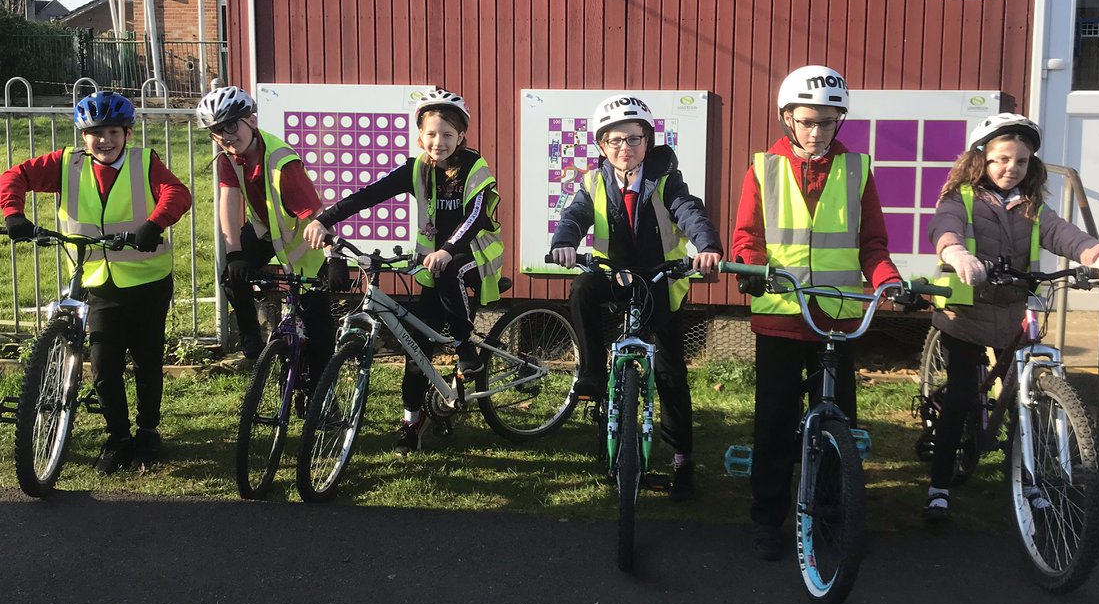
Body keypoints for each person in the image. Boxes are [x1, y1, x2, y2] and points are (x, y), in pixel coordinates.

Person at [730, 65, 903, 560]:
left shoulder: (857, 170)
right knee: (774, 422)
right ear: (787, 119)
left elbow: (872, 244)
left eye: (827, 122)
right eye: (806, 121)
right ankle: (767, 516)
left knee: (839, 424)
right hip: (782, 314)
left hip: (838, 318)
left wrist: (887, 279)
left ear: (839, 122)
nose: (816, 132)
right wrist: (750, 266)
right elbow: (748, 236)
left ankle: (830, 512)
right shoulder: (763, 168)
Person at [922, 112, 1099, 522]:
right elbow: (943, 229)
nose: (1010, 169)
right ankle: (939, 486)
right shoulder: (960, 198)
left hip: (1013, 312)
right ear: (981, 158)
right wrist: (957, 253)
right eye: (1001, 159)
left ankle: (1028, 479)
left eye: (1020, 161)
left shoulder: (1032, 206)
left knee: (1023, 399)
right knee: (962, 396)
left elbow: (1065, 234)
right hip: (964, 312)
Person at [303, 88, 504, 454]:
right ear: (419, 135)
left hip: (473, 255)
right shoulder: (417, 169)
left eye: (447, 134)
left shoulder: (475, 166)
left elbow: (475, 217)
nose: (438, 141)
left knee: (453, 272)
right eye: (430, 134)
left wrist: (446, 248)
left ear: (461, 136)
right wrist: (325, 220)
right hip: (434, 266)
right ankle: (412, 423)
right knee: (415, 349)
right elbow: (369, 194)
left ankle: (465, 350)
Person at [0, 91, 192, 474]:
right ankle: (118, 437)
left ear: (127, 133)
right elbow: (15, 174)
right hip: (97, 281)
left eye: (113, 132)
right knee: (104, 366)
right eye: (95, 133)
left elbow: (178, 193)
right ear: (82, 135)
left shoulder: (145, 162)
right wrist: (13, 213)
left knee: (147, 360)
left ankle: (148, 432)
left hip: (147, 280)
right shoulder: (67, 164)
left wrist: (154, 224)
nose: (104, 140)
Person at [550, 93, 722, 502]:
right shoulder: (593, 182)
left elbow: (689, 211)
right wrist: (565, 241)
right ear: (601, 145)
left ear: (648, 141)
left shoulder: (666, 179)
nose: (624, 148)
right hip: (616, 276)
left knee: (669, 372)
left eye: (634, 139)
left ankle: (681, 459)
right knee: (582, 289)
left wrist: (707, 245)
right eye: (615, 141)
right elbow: (575, 215)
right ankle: (591, 374)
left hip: (660, 282)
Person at [196, 86, 335, 388]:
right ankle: (251, 337)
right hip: (264, 231)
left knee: (318, 328)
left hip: (302, 242)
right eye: (217, 130)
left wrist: (332, 256)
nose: (226, 136)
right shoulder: (228, 157)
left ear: (253, 121)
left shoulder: (283, 162)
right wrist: (234, 254)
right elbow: (229, 202)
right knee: (231, 276)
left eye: (231, 125)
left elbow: (315, 216)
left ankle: (325, 398)